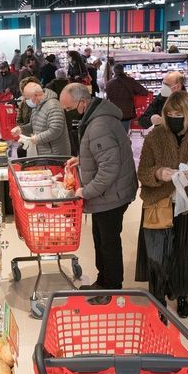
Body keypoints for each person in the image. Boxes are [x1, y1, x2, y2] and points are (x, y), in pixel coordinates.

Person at [135, 91, 188, 317]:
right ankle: (158, 296)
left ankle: (182, 295)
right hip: (158, 204)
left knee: (184, 254)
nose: (173, 117)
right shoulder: (155, 137)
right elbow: (142, 172)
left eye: (178, 113)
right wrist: (158, 173)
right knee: (157, 254)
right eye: (169, 113)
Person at [60, 83, 137, 290]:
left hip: (112, 195)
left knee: (108, 244)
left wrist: (85, 191)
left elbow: (108, 170)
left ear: (82, 102)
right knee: (101, 240)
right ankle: (103, 282)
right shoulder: (95, 117)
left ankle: (111, 289)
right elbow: (102, 154)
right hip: (110, 193)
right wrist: (81, 159)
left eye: (68, 108)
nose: (67, 113)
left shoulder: (98, 125)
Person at [14, 82, 70, 158]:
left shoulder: (53, 105)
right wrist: (21, 129)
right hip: (43, 152)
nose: (26, 101)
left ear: (36, 96)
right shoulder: (37, 106)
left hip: (55, 154)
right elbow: (33, 125)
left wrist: (38, 138)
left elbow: (56, 129)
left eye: (27, 98)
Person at [105, 64, 150, 133]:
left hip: (114, 112)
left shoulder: (109, 83)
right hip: (127, 112)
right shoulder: (130, 81)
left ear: (114, 71)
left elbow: (108, 97)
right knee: (124, 133)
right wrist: (133, 93)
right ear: (123, 70)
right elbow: (144, 92)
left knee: (115, 133)